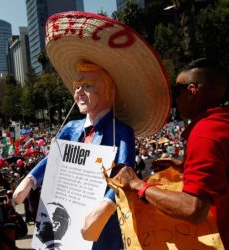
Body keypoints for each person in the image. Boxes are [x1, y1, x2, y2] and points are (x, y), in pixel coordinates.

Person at [13, 11, 171, 250]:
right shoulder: (70, 128)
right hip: (67, 217)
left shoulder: (122, 131)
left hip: (103, 225)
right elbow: (53, 158)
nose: (79, 92)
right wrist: (30, 180)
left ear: (108, 91)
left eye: (88, 86)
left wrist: (106, 207)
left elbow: (124, 173)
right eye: (77, 85)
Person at [113, 58, 229, 248]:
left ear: (192, 91)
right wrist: (185, 167)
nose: (175, 98)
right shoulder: (222, 123)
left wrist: (137, 184)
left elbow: (193, 209)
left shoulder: (204, 134)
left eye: (177, 91)